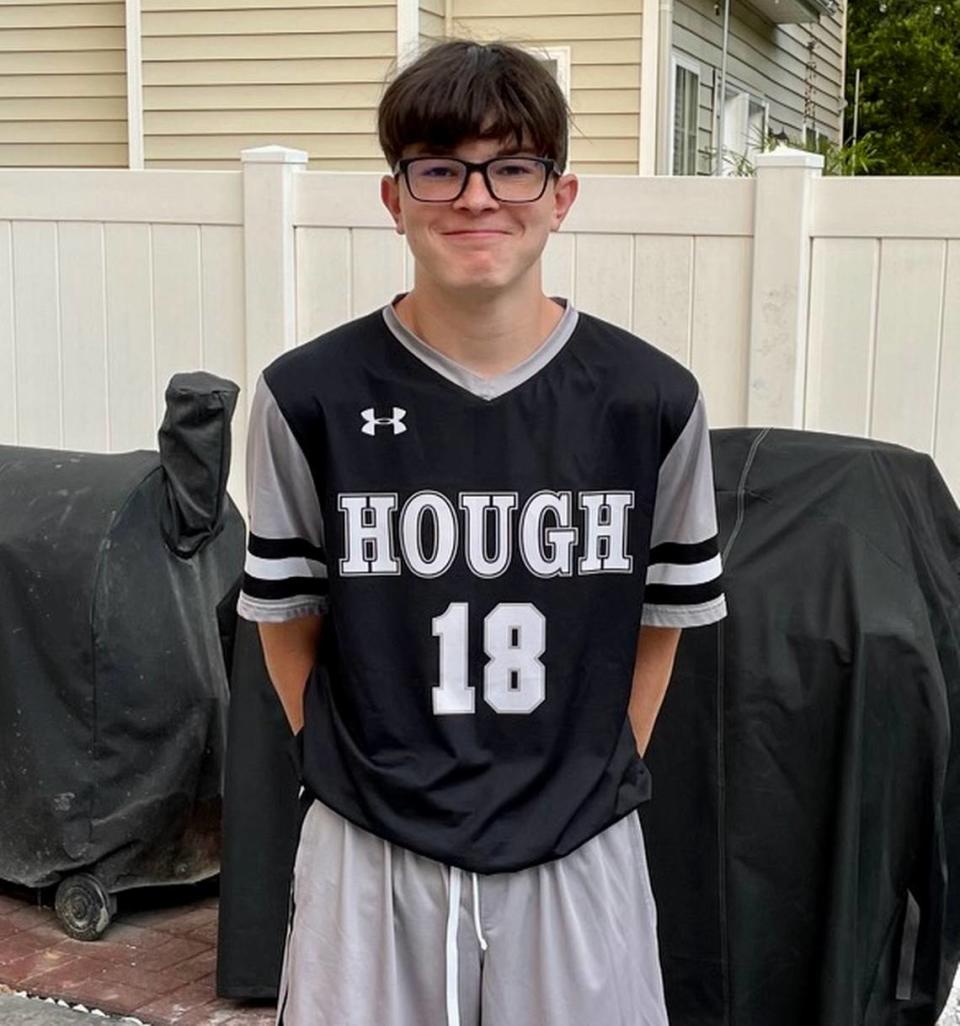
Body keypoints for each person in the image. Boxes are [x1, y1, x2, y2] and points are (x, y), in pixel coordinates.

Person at [237, 38, 727, 1026]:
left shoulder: (653, 402)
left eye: (512, 166)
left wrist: (581, 777)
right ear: (394, 198)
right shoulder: (308, 397)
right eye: (440, 168)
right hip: (370, 843)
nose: (476, 197)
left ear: (561, 194)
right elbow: (287, 629)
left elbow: (658, 630)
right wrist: (363, 774)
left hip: (577, 839)